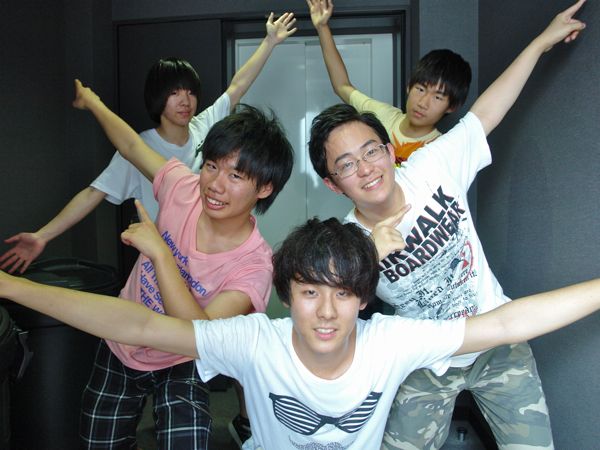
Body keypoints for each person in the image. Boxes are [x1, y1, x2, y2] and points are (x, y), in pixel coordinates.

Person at [1, 217, 600, 450]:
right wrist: (11, 287)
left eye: (343, 293)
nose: (327, 312)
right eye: (310, 292)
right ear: (287, 296)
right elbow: (137, 322)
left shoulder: (390, 340)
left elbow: (505, 322)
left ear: (363, 298)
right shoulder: (255, 340)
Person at [307, 1, 586, 449]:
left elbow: (489, 111)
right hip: (428, 359)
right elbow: (327, 314)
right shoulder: (347, 241)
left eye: (372, 151)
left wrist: (540, 42)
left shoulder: (433, 165)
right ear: (333, 184)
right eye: (346, 164)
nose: (366, 168)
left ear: (389, 151)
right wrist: (369, 255)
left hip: (498, 341)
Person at [67, 77, 293, 450]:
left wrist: (160, 254)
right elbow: (131, 145)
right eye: (211, 166)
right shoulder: (182, 188)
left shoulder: (255, 266)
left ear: (265, 187)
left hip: (180, 359)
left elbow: (196, 334)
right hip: (122, 341)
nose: (215, 185)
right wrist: (92, 101)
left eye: (236, 175)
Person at [0, 11, 297, 275]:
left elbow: (237, 86)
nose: (185, 101)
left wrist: (269, 41)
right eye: (174, 93)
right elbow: (92, 194)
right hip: (165, 255)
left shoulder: (206, 125)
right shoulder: (140, 148)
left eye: (190, 92)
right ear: (158, 98)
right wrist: (42, 235)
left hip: (210, 250)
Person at [307, 0, 471, 165]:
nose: (423, 103)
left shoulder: (443, 149)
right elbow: (342, 86)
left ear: (451, 106)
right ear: (409, 86)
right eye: (421, 89)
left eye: (437, 97)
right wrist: (322, 27)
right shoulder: (383, 116)